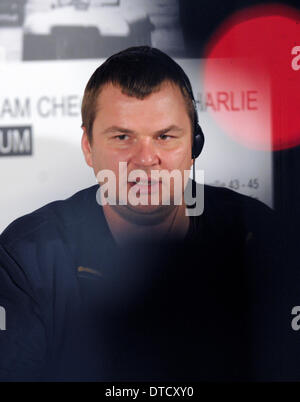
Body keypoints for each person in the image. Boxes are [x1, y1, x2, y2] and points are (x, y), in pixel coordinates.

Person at [0, 46, 281, 381]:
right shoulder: (27, 260)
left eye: (165, 137)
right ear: (88, 147)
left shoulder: (260, 237)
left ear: (195, 144)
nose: (146, 159)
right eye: (122, 137)